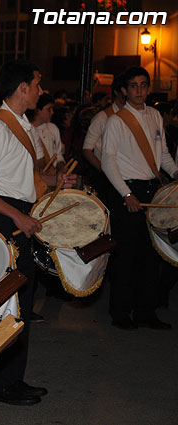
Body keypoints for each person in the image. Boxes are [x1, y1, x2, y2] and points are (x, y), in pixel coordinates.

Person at [0, 60, 74, 405]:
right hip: (5, 222)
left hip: (18, 216)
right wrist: (17, 215)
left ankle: (12, 379)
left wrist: (56, 182)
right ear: (23, 88)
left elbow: (18, 179)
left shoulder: (21, 125)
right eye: (38, 85)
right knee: (9, 304)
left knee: (21, 304)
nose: (42, 91)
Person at [101, 66, 178, 330]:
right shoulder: (116, 121)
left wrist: (176, 173)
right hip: (127, 191)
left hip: (152, 190)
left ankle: (146, 311)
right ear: (124, 90)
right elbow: (107, 161)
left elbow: (163, 155)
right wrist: (127, 194)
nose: (140, 90)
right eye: (134, 85)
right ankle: (121, 312)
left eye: (144, 85)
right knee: (126, 255)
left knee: (151, 254)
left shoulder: (156, 115)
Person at [83, 74, 126, 199]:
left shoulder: (135, 117)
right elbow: (87, 150)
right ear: (117, 92)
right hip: (107, 177)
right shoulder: (102, 117)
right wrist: (104, 169)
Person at [28, 93, 65, 171]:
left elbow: (58, 155)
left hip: (53, 176)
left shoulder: (52, 128)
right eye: (49, 109)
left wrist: (62, 167)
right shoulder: (28, 130)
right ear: (37, 110)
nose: (52, 112)